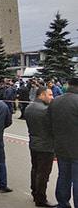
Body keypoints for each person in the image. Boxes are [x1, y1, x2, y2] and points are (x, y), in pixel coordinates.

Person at [47, 77, 78, 208]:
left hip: (60, 147)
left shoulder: (55, 101)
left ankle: (62, 203)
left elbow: (48, 124)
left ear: (68, 85)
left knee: (63, 177)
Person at [25, 87, 56, 207]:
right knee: (43, 174)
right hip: (46, 146)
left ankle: (35, 193)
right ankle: (41, 198)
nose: (52, 97)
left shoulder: (29, 107)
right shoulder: (46, 110)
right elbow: (52, 128)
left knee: (35, 169)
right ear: (41, 95)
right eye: (50, 95)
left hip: (34, 143)